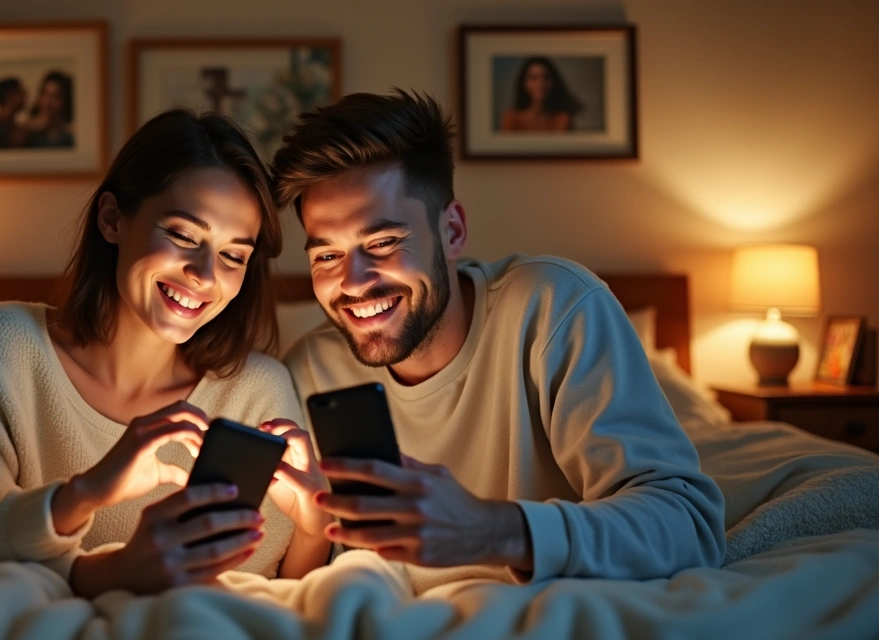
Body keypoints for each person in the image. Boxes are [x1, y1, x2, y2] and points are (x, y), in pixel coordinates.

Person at [269, 89, 725, 590]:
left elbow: (689, 526)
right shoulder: (310, 369)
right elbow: (299, 575)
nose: (354, 283)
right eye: (326, 256)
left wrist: (491, 530)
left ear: (452, 231)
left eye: (382, 243)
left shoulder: (553, 306)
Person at [0, 108, 331, 597]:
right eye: (183, 235)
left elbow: (278, 592)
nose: (204, 275)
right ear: (112, 219)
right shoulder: (6, 347)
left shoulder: (256, 393)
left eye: (232, 256)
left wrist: (314, 531)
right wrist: (86, 494)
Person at [499, 57, 582, 132]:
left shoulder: (562, 119)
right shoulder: (512, 119)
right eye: (533, 78)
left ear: (554, 82)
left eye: (546, 77)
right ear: (524, 83)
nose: (540, 84)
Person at [23, 70, 76, 148]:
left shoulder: (71, 134)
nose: (48, 102)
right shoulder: (27, 130)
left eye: (55, 96)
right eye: (44, 94)